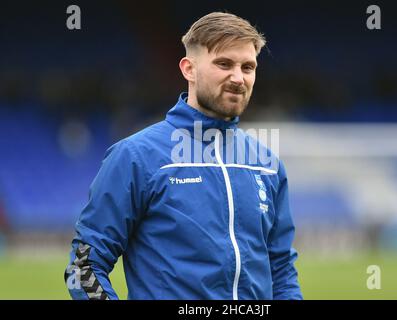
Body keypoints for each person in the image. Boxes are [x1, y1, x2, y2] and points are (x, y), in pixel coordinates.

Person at [64, 11, 303, 300]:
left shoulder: (266, 164)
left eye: (248, 67)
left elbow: (282, 271)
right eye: (224, 64)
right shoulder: (136, 156)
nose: (238, 78)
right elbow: (84, 266)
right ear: (188, 69)